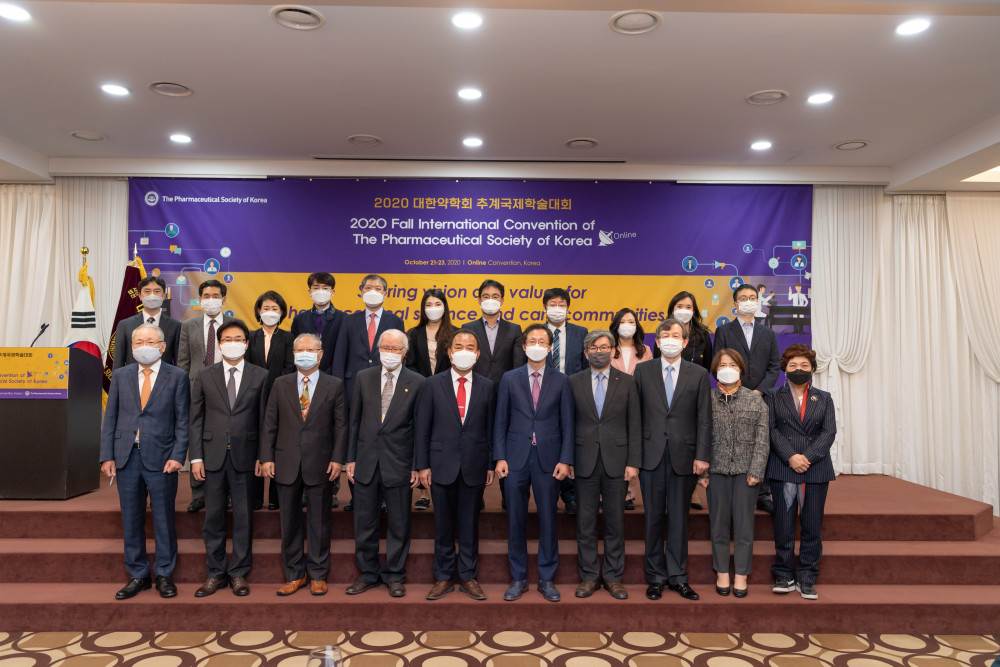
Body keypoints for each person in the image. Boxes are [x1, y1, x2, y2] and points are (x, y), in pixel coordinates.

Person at [99, 324, 189, 600]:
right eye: (138, 342)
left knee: (163, 518)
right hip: (126, 457)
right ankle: (138, 574)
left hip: (163, 458)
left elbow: (183, 421)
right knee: (131, 519)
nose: (143, 347)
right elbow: (111, 418)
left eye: (150, 342)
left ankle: (164, 574)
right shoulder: (121, 375)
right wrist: (107, 455)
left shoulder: (177, 376)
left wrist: (178, 456)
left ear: (162, 346)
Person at [260, 333, 347, 596]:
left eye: (310, 350)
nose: (305, 354)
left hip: (321, 463)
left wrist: (338, 459)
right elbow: (270, 423)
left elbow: (341, 426)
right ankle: (295, 574)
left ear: (321, 355)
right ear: (293, 354)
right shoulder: (280, 384)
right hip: (285, 462)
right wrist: (266, 457)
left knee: (319, 522)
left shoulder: (334, 385)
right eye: (300, 350)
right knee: (289, 522)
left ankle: (318, 574)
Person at [188, 319, 269, 598]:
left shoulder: (261, 375)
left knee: (244, 517)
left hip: (246, 456)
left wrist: (263, 456)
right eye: (227, 339)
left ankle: (238, 573)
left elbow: (265, 421)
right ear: (219, 344)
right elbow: (195, 419)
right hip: (211, 456)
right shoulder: (204, 375)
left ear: (246, 344)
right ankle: (215, 573)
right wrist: (195, 457)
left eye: (238, 339)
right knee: (213, 517)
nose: (232, 343)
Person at [494, 323, 574, 602]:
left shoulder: (562, 380)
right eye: (532, 341)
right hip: (515, 458)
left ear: (550, 347)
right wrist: (500, 457)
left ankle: (546, 578)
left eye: (542, 341)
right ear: (524, 346)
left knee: (548, 520)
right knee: (515, 520)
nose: (537, 345)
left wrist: (566, 460)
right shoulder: (509, 378)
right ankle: (518, 578)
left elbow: (568, 424)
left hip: (549, 460)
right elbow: (500, 421)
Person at [415, 330, 496, 601]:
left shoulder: (487, 386)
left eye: (470, 347)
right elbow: (422, 428)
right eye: (458, 346)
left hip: (475, 464)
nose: (464, 351)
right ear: (449, 353)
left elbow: (490, 428)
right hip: (440, 465)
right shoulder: (431, 384)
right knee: (443, 525)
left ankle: (468, 576)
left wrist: (490, 464)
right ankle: (443, 577)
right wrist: (422, 465)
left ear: (478, 354)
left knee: (470, 524)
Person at [634, 318, 711, 602]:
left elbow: (704, 418)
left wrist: (702, 456)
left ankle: (678, 577)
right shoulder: (643, 371)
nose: (670, 339)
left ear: (685, 341)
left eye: (676, 335)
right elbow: (635, 416)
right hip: (650, 456)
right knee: (653, 519)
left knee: (679, 520)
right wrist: (634, 458)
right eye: (665, 335)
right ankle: (655, 578)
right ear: (657, 341)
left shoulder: (699, 374)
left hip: (685, 456)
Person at [345, 329, 424, 598]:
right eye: (385, 347)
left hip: (400, 463)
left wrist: (416, 465)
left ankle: (395, 575)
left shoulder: (417, 382)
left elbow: (420, 428)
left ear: (404, 352)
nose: (390, 352)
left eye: (395, 348)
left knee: (399, 524)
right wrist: (351, 459)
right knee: (364, 523)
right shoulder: (363, 377)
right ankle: (367, 574)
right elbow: (354, 421)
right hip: (366, 461)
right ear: (378, 349)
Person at [568, 330, 641, 600]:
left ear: (613, 351)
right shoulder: (573, 381)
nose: (599, 351)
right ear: (586, 352)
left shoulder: (628, 382)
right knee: (585, 523)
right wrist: (568, 459)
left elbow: (635, 423)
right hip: (583, 461)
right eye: (594, 348)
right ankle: (588, 576)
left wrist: (633, 462)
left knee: (615, 523)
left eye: (604, 347)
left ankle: (613, 577)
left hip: (617, 462)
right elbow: (567, 423)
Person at [765, 344, 836, 601]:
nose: (799, 369)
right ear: (785, 369)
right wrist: (791, 456)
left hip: (815, 469)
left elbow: (829, 432)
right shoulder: (773, 396)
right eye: (793, 365)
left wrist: (807, 457)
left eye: (804, 365)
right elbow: (771, 430)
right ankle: (784, 574)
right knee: (783, 525)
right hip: (784, 467)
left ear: (812, 369)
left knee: (812, 526)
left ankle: (807, 576)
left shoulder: (824, 398)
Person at [332, 274, 406, 511]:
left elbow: (401, 356)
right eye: (368, 287)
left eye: (378, 287)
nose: (373, 291)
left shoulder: (395, 320)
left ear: (385, 292)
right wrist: (339, 391)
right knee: (356, 440)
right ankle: (357, 496)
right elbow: (339, 357)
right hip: (353, 389)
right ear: (361, 290)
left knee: (381, 440)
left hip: (385, 388)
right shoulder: (349, 321)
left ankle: (382, 497)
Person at [701, 348, 769, 599]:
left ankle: (741, 573)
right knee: (718, 526)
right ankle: (722, 572)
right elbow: (700, 438)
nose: (727, 369)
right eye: (722, 365)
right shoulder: (706, 399)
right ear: (715, 371)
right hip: (715, 471)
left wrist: (756, 470)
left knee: (743, 527)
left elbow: (763, 439)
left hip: (745, 474)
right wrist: (702, 473)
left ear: (741, 369)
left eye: (732, 365)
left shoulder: (755, 400)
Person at [713, 283, 781, 514]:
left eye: (752, 297)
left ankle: (763, 494)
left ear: (758, 301)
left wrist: (759, 391)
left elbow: (774, 367)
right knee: (734, 441)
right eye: (743, 298)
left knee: (763, 443)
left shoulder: (768, 333)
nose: (748, 301)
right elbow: (718, 363)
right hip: (731, 396)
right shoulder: (724, 331)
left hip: (762, 397)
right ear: (735, 303)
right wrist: (737, 390)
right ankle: (735, 490)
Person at [462, 279, 526, 510]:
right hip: (475, 395)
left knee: (504, 446)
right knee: (477, 444)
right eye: (486, 296)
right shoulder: (467, 328)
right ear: (479, 299)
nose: (491, 300)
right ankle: (475, 493)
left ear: (502, 300)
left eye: (495, 296)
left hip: (505, 396)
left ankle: (507, 494)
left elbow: (518, 366)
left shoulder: (514, 329)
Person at [177, 279, 234, 513]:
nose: (211, 300)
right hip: (195, 389)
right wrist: (182, 392)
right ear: (200, 299)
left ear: (224, 299)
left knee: (225, 436)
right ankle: (198, 493)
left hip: (227, 388)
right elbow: (183, 362)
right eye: (206, 296)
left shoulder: (234, 325)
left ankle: (227, 493)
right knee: (197, 436)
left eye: (216, 295)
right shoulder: (188, 326)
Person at [246, 290, 296, 511]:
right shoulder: (250, 337)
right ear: (259, 311)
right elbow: (247, 367)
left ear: (282, 312)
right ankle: (256, 498)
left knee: (278, 444)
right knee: (255, 445)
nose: (270, 312)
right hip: (253, 398)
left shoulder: (288, 338)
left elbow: (289, 368)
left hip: (281, 396)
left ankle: (276, 497)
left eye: (275, 308)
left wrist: (274, 389)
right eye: (266, 308)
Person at [405, 288, 454, 510]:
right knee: (422, 437)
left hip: (448, 393)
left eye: (437, 304)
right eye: (428, 304)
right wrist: (426, 384)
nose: (433, 308)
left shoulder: (454, 333)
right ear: (423, 308)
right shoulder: (414, 334)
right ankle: (423, 492)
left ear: (445, 307)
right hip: (422, 392)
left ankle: (448, 485)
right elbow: (411, 364)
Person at [666, 291, 714, 510]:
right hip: (669, 395)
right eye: (679, 306)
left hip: (694, 394)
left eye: (688, 307)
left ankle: (693, 489)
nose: (684, 310)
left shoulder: (703, 335)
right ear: (672, 309)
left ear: (694, 311)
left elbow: (709, 365)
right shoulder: (665, 332)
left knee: (691, 441)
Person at [542, 287, 586, 514]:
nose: (557, 308)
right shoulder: (537, 333)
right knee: (548, 443)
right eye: (553, 304)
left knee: (570, 441)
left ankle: (570, 495)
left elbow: (586, 367)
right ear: (545, 308)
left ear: (568, 307)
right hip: (543, 397)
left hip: (572, 395)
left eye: (562, 304)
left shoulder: (581, 332)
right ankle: (548, 492)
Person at [609, 307, 653, 512]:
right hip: (611, 407)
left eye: (631, 322)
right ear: (616, 325)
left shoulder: (646, 350)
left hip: (637, 407)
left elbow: (650, 380)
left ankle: (628, 495)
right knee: (611, 450)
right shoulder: (609, 348)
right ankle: (606, 493)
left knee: (632, 451)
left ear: (637, 326)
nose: (627, 325)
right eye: (623, 321)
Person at [112, 276, 181, 369]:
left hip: (164, 376)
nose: (152, 296)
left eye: (157, 291)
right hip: (132, 376)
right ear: (140, 296)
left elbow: (178, 361)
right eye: (147, 291)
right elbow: (118, 360)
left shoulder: (175, 326)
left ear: (164, 296)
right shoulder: (125, 325)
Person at [289, 272, 345, 375]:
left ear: (332, 292)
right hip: (305, 373)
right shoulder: (300, 319)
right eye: (316, 288)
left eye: (325, 288)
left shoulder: (344, 319)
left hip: (334, 376)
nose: (320, 291)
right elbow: (294, 350)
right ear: (310, 292)